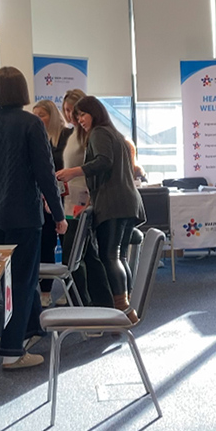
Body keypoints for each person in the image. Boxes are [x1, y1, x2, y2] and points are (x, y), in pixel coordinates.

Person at [0, 67, 67, 370]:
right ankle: (12, 349)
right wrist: (59, 215)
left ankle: (32, 327)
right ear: (22, 90)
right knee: (21, 280)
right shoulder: (31, 124)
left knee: (14, 278)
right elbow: (45, 174)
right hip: (23, 213)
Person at [56, 96, 147, 324]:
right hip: (127, 202)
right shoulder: (114, 134)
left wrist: (73, 172)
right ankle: (126, 309)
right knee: (119, 256)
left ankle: (122, 309)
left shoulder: (99, 133)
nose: (79, 120)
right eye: (76, 117)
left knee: (110, 256)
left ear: (94, 113)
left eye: (82, 115)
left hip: (114, 204)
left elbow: (103, 162)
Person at [60, 89, 111, 308]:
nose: (70, 116)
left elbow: (96, 167)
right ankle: (98, 304)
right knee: (86, 256)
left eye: (74, 111)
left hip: (83, 202)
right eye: (66, 111)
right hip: (70, 201)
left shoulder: (91, 136)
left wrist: (88, 201)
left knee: (75, 258)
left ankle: (85, 304)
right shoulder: (71, 135)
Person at [33, 99, 75, 305]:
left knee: (70, 247)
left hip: (69, 199)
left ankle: (72, 293)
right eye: (35, 115)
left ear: (53, 115)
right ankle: (45, 293)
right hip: (44, 200)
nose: (37, 119)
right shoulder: (36, 138)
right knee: (46, 246)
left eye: (41, 115)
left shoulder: (69, 136)